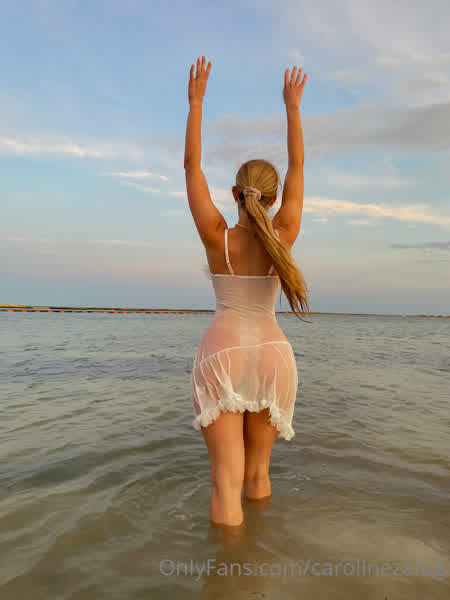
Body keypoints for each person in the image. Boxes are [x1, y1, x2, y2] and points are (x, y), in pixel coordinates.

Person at [185, 58, 311, 526]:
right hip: (273, 355)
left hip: (224, 353)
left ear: (235, 194)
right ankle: (258, 559)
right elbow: (298, 164)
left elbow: (191, 166)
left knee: (226, 481)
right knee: (258, 475)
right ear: (273, 200)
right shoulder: (285, 234)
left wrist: (196, 103)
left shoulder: (217, 237)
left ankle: (227, 568)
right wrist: (292, 108)